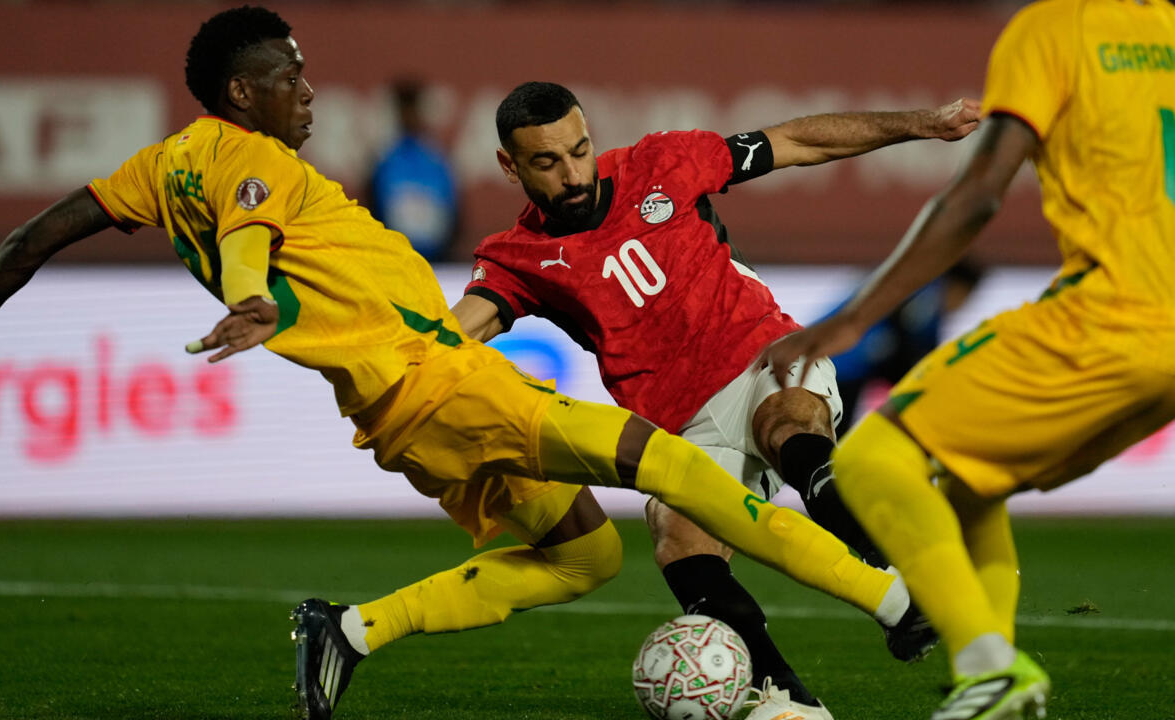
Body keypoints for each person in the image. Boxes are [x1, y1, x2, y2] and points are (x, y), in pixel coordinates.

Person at [0, 7, 943, 720]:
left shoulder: (153, 167)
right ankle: (895, 608)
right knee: (674, 477)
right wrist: (256, 288)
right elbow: (254, 234)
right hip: (439, 379)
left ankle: (348, 632)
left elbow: (32, 236)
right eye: (288, 74)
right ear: (240, 90)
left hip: (402, 411)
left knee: (585, 559)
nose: (307, 90)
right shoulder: (252, 160)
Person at [451, 81, 980, 718]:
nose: (571, 175)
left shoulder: (662, 162)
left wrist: (923, 123)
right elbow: (459, 330)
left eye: (579, 150)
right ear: (510, 165)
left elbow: (795, 140)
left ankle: (906, 586)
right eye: (546, 162)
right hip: (679, 426)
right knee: (678, 540)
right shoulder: (518, 257)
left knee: (791, 426)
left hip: (762, 358)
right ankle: (787, 700)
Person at [763, 1, 1175, 718]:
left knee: (869, 460)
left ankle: (991, 670)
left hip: (1110, 312)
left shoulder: (1053, 27)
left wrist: (854, 318)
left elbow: (979, 194)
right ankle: (988, 677)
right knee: (967, 483)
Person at [827, 258, 984, 436]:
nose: (962, 305)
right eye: (965, 297)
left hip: (840, 362)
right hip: (841, 365)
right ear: (956, 287)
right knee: (833, 434)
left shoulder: (919, 292)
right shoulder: (924, 298)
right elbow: (910, 352)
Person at [366, 77, 461, 262]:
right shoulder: (384, 162)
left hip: (437, 262)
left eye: (413, 109)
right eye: (404, 110)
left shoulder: (437, 161)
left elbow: (455, 216)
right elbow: (373, 213)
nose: (409, 116)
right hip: (395, 260)